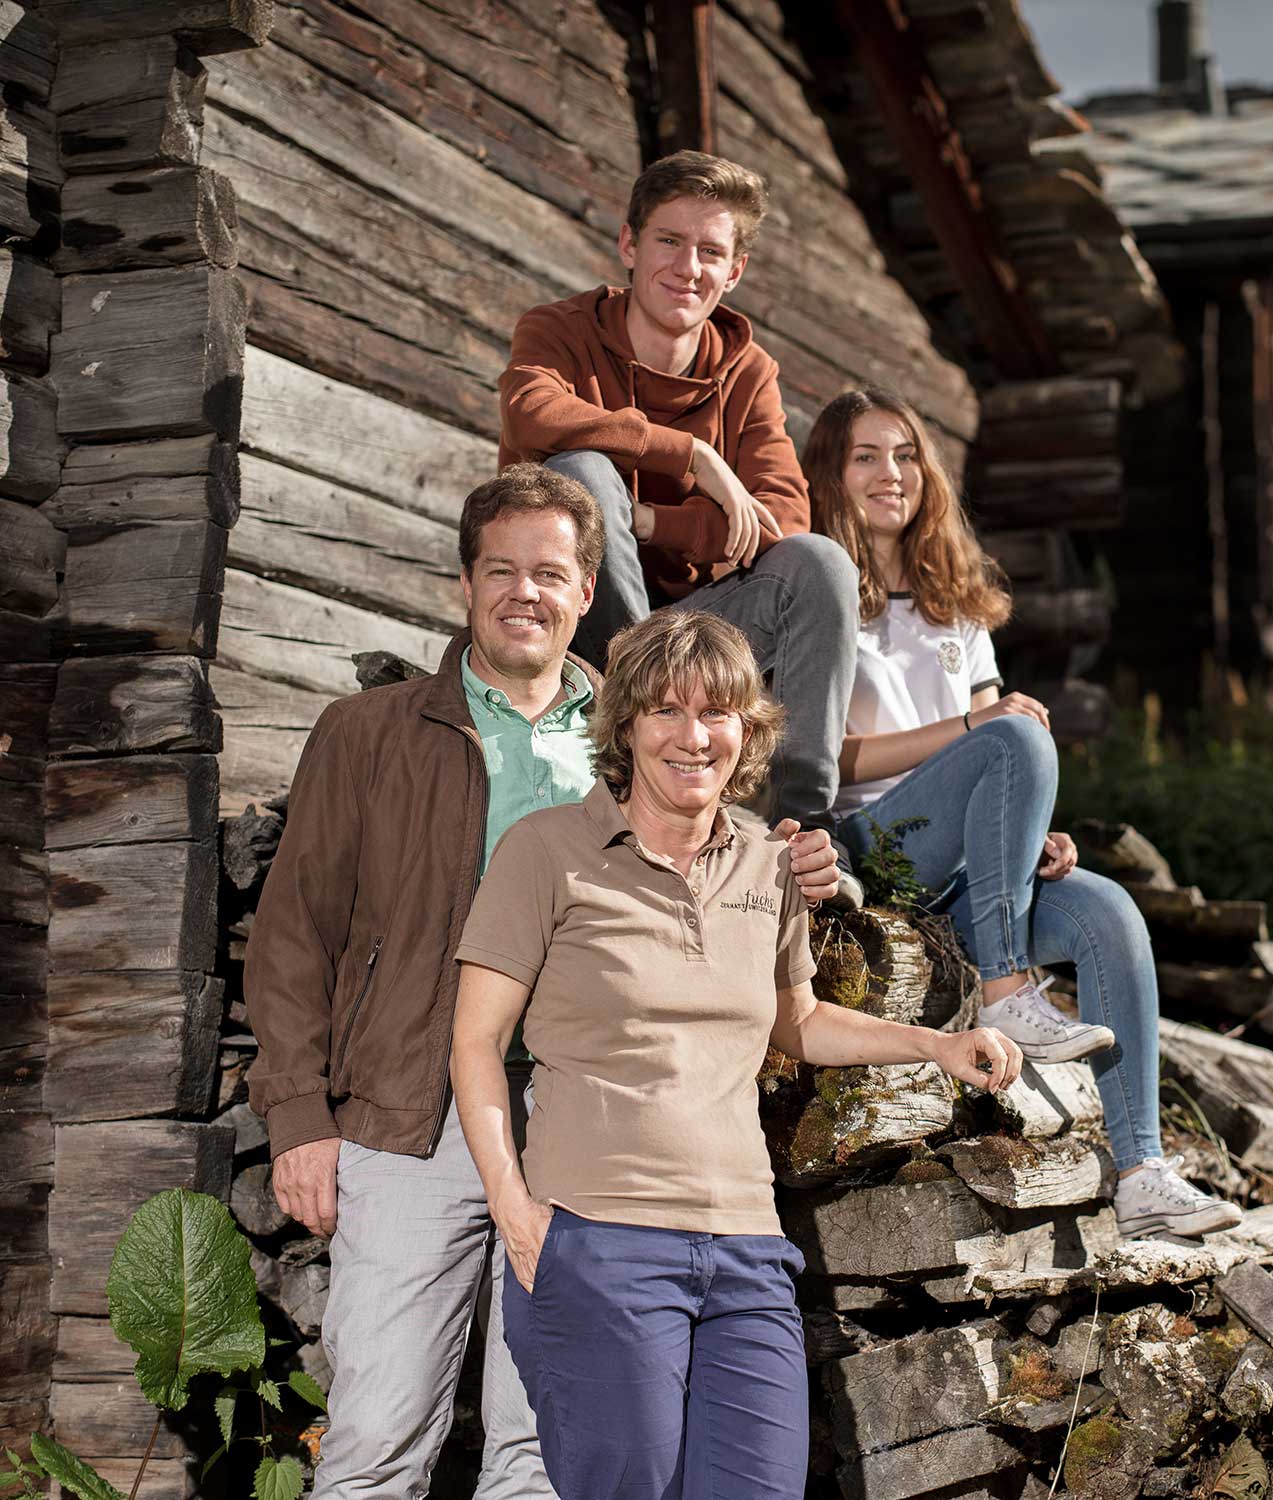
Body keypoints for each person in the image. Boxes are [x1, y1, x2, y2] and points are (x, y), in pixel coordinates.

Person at [244, 466, 838, 1500]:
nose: (527, 592)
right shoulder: (369, 733)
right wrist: (298, 1113)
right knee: (378, 1440)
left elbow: (726, 854)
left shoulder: (639, 731)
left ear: (584, 591)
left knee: (544, 1457)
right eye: (503, 570)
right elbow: (294, 935)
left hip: (586, 1134)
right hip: (408, 1113)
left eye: (553, 574)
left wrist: (807, 861)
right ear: (465, 585)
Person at [450, 609, 1024, 1500]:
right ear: (628, 726)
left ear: (747, 731)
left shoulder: (767, 863)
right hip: (600, 1239)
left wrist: (937, 1045)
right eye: (667, 712)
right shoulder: (547, 854)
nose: (693, 737)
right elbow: (476, 1043)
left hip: (747, 1249)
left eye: (717, 713)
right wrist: (515, 1212)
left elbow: (795, 1020)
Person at [805, 388, 1243, 1240]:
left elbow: (1000, 754)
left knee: (1108, 907)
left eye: (904, 455)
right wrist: (981, 733)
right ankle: (1007, 986)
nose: (890, 473)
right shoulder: (818, 593)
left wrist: (1028, 824)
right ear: (831, 472)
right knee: (1014, 732)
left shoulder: (956, 604)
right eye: (865, 456)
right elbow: (834, 761)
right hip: (875, 844)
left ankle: (1143, 1173)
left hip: (969, 866)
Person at [498, 149, 860, 859]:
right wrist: (692, 456)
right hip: (581, 633)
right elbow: (533, 414)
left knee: (820, 563)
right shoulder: (558, 330)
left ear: (735, 270)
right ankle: (637, 728)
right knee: (580, 476)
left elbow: (782, 513)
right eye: (668, 240)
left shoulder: (748, 372)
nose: (687, 267)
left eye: (710, 251)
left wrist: (653, 522)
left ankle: (808, 827)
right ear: (629, 245)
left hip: (699, 633)